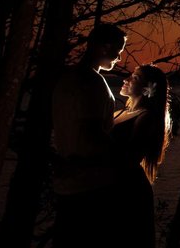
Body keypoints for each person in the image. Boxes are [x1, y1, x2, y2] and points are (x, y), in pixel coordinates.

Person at [50, 22, 127, 248]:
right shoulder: (92, 82)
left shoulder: (66, 80)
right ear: (104, 47)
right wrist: (122, 158)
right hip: (89, 183)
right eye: (118, 51)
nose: (119, 58)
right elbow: (92, 131)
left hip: (66, 182)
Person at [112, 64, 172, 248]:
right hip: (114, 183)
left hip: (128, 188)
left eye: (135, 78)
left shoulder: (147, 117)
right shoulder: (119, 113)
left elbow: (131, 157)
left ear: (148, 88)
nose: (126, 80)